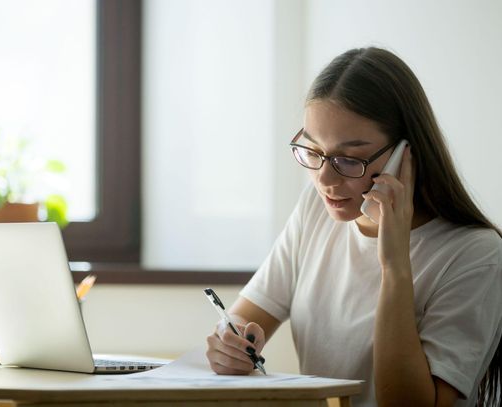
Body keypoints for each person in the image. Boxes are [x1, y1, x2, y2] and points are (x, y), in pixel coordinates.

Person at [205, 47, 502, 407]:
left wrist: (394, 266)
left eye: (349, 159)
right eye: (314, 151)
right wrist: (229, 343)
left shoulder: (476, 255)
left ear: (404, 153)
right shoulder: (316, 210)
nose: (325, 179)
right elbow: (245, 318)